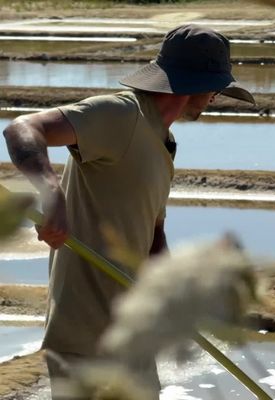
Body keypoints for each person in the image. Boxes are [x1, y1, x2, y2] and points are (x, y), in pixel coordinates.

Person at [3, 24, 255, 399]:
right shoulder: (121, 114)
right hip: (88, 337)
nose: (216, 98)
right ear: (196, 84)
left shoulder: (163, 144)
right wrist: (52, 195)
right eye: (216, 88)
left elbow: (153, 237)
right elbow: (23, 128)